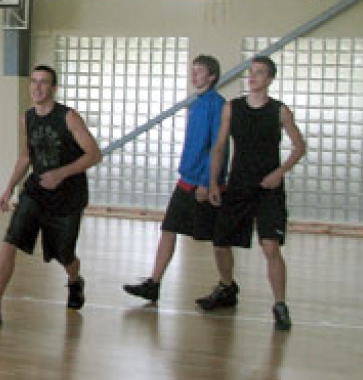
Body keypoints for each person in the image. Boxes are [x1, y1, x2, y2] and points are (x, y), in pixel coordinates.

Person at [0, 65, 102, 328]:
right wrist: (9, 187)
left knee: (64, 254)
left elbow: (94, 154)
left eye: (43, 83)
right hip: (35, 192)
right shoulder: (27, 118)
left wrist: (61, 174)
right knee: (10, 241)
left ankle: (75, 281)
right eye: (34, 81)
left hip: (67, 196)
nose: (37, 87)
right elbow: (26, 155)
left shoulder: (69, 118)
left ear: (53, 88)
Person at [200, 55, 306, 331]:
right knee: (220, 241)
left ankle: (280, 304)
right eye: (251, 72)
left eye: (259, 73)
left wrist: (279, 173)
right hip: (238, 185)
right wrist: (213, 182)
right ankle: (226, 287)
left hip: (268, 189)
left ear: (269, 79)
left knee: (270, 246)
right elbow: (220, 147)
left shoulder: (280, 111)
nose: (253, 77)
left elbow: (299, 147)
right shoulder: (232, 109)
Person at [123, 55, 226, 304]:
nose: (194, 75)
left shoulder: (219, 105)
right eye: (193, 70)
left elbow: (218, 147)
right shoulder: (196, 103)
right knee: (168, 230)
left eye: (199, 71)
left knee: (219, 241)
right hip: (185, 181)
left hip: (204, 183)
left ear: (211, 76)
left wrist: (207, 182)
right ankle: (154, 284)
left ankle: (228, 286)